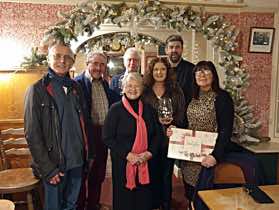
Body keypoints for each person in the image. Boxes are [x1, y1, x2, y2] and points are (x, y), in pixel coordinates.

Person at [167, 61, 261, 210]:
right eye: (198, 71)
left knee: (209, 200)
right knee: (191, 196)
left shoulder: (222, 98)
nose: (202, 74)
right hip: (191, 158)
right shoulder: (191, 97)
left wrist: (215, 156)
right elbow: (186, 123)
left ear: (214, 75)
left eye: (206, 71)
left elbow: (225, 130)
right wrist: (175, 130)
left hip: (210, 157)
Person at [24, 43, 92, 210]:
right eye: (57, 56)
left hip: (77, 161)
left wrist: (88, 156)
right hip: (54, 165)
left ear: (73, 61)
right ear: (48, 59)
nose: (62, 60)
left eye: (67, 57)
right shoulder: (37, 90)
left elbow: (84, 124)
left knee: (71, 205)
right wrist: (48, 169)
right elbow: (32, 134)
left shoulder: (76, 87)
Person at [103, 72, 162, 210]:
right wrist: (128, 155)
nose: (133, 89)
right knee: (125, 200)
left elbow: (158, 136)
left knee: (144, 199)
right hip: (123, 162)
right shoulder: (115, 109)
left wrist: (148, 153)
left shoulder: (149, 110)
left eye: (137, 86)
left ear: (142, 89)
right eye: (129, 85)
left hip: (145, 162)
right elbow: (107, 137)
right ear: (123, 88)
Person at [75, 51, 120, 210]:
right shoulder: (77, 83)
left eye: (102, 64)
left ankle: (93, 204)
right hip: (86, 136)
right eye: (95, 63)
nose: (98, 68)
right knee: (82, 176)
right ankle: (80, 206)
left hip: (103, 136)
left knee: (98, 175)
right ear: (87, 64)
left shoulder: (104, 83)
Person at [142, 57, 185, 210]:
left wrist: (174, 125)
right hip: (149, 140)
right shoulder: (144, 90)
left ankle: (166, 204)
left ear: (167, 71)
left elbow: (181, 112)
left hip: (169, 139)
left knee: (166, 175)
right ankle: (154, 204)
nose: (159, 72)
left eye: (162, 69)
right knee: (152, 173)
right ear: (151, 72)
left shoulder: (175, 89)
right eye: (156, 69)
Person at [165, 35, 195, 105]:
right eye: (171, 47)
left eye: (177, 47)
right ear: (166, 50)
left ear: (182, 49)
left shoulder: (192, 69)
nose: (174, 50)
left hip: (185, 113)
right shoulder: (159, 69)